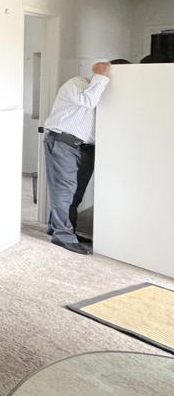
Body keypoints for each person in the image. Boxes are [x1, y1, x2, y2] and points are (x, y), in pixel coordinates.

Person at [42, 58, 130, 254]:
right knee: (65, 190)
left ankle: (61, 228)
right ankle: (63, 236)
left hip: (87, 148)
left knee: (76, 192)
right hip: (64, 142)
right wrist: (101, 75)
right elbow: (88, 101)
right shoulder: (77, 84)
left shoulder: (109, 96)